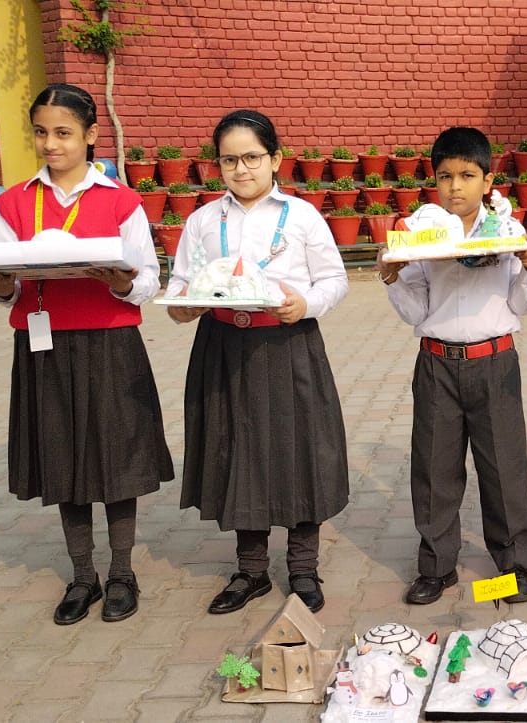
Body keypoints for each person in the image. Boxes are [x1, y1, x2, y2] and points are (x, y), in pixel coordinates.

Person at [0, 83, 174, 626]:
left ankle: (122, 573)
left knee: (116, 459)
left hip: (109, 341)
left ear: (90, 136)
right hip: (45, 344)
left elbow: (148, 278)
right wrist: (0, 284)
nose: (50, 144)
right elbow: (5, 286)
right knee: (63, 458)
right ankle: (83, 576)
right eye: (41, 132)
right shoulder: (12, 201)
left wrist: (120, 281)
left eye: (63, 133)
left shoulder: (120, 200)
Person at [165, 110, 351, 615]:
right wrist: (182, 304)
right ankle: (250, 571)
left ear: (275, 159)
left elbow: (334, 279)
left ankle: (303, 569)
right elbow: (182, 284)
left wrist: (305, 305)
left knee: (300, 451)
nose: (241, 169)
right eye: (229, 160)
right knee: (236, 449)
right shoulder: (203, 220)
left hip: (288, 343)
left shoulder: (303, 215)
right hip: (223, 344)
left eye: (251, 157)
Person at [373, 126, 527, 606]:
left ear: (488, 182)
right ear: (434, 181)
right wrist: (392, 277)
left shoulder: (507, 231)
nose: (455, 187)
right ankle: (437, 566)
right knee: (433, 468)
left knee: (504, 468)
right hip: (437, 364)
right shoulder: (423, 234)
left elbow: (522, 303)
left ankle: (514, 567)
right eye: (445, 176)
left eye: (468, 175)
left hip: (495, 362)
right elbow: (417, 312)